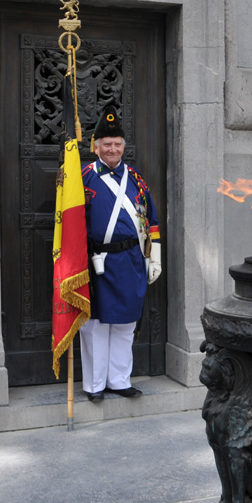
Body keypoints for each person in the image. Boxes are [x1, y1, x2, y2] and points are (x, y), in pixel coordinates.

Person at [79, 106, 162, 401]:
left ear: (123, 147)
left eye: (117, 144)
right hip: (96, 261)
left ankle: (119, 380)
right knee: (96, 326)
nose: (112, 149)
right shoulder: (83, 178)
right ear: (97, 147)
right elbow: (71, 224)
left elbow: (150, 219)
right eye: (107, 144)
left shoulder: (137, 180)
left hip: (130, 261)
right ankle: (95, 385)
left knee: (126, 324)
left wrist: (155, 257)